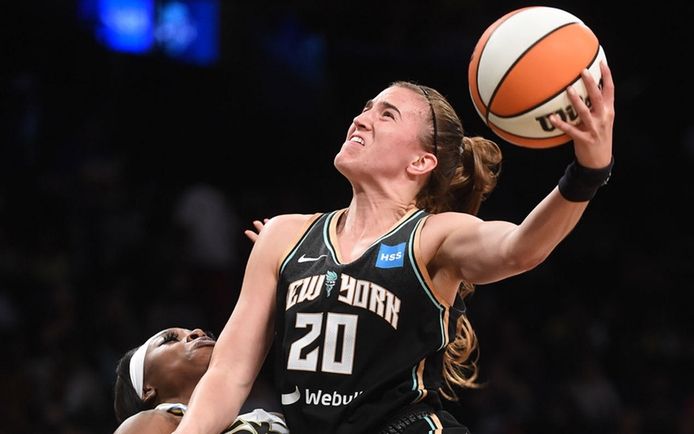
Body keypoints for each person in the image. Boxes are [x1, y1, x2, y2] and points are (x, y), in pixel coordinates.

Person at [173, 61, 616, 434]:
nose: (360, 118)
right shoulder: (283, 236)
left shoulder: (435, 236)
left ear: (421, 162)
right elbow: (229, 375)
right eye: (365, 108)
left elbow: (521, 248)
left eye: (386, 115)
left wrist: (587, 173)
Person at [113, 327, 289, 433]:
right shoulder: (151, 421)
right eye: (170, 339)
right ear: (147, 389)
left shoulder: (268, 415)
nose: (198, 332)